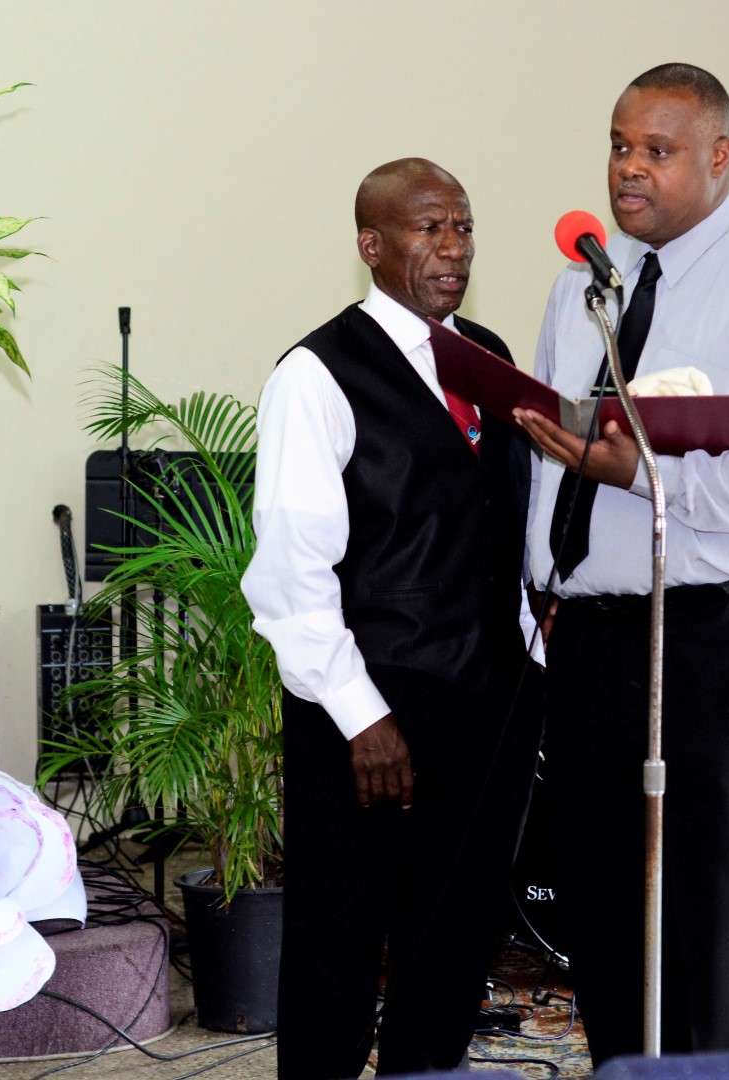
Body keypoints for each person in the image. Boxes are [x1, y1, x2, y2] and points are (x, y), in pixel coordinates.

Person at [515, 64, 729, 1064]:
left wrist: (646, 475)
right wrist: (540, 586)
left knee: (722, 917)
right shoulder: (581, 287)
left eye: (656, 151)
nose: (630, 169)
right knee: (603, 911)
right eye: (620, 146)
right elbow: (551, 457)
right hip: (591, 641)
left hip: (722, 637)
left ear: (719, 156)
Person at [241, 157, 543, 1078]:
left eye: (464, 228)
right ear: (371, 245)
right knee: (338, 944)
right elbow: (292, 573)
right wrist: (361, 716)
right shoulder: (317, 374)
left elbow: (503, 519)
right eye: (429, 229)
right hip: (370, 709)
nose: (453, 248)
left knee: (454, 938)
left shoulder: (487, 357)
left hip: (488, 701)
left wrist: (534, 655)